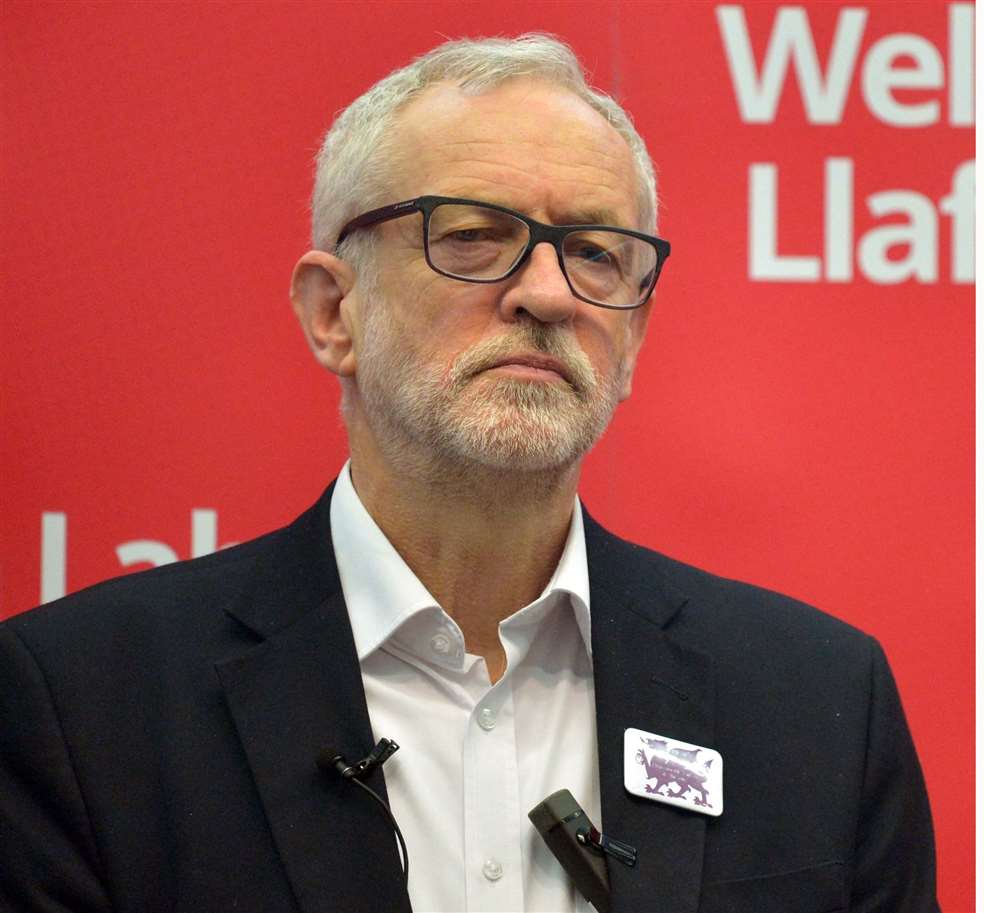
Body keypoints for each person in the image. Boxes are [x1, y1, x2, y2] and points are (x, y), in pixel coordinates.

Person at [0, 34, 936, 913]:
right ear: (335, 310)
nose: (546, 293)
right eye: (474, 236)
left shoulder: (818, 702)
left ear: (634, 339)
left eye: (598, 254)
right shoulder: (82, 709)